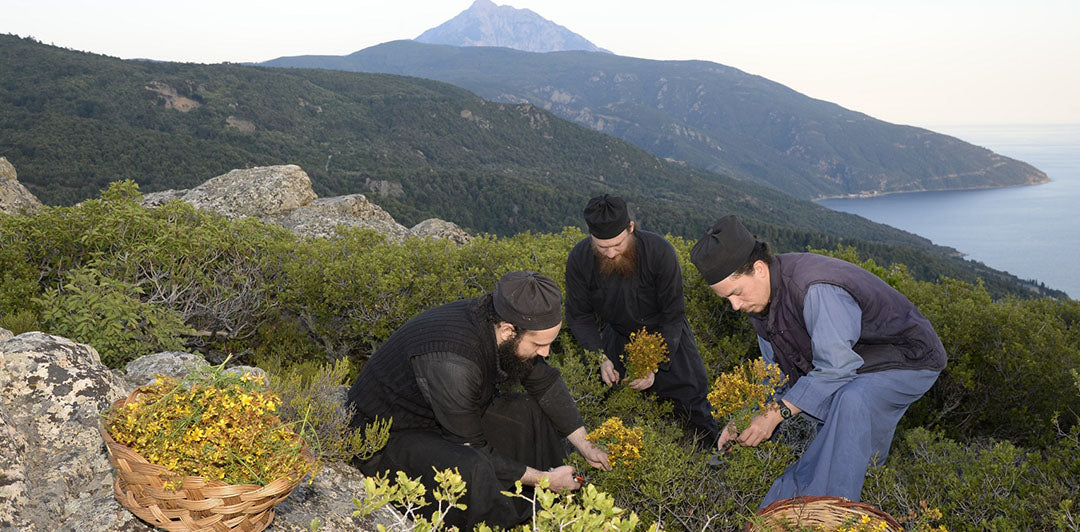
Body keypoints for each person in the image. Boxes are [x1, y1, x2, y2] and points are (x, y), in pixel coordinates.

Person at [689, 215, 946, 506]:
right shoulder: (759, 304)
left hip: (907, 356)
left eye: (735, 293)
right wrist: (746, 418)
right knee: (833, 428)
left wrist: (775, 416)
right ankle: (802, 505)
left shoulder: (814, 287)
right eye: (727, 300)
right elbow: (776, 377)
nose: (735, 306)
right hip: (856, 362)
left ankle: (829, 511)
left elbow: (838, 368)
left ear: (759, 269)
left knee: (850, 402)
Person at [345, 271, 611, 529]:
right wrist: (543, 480)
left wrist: (587, 446)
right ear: (509, 331)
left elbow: (544, 382)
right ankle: (505, 522)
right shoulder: (452, 362)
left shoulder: (499, 317)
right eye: (538, 345)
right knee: (474, 468)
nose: (546, 352)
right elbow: (473, 447)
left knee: (528, 411)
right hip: (383, 440)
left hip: (439, 416)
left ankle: (547, 510)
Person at [565, 194, 718, 447]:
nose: (611, 253)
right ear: (591, 237)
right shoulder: (579, 259)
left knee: (692, 400)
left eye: (618, 244)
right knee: (617, 405)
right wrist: (600, 357)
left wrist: (654, 364)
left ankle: (712, 459)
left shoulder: (659, 252)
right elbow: (579, 315)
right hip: (619, 337)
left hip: (666, 335)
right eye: (602, 247)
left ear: (631, 228)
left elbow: (673, 313)